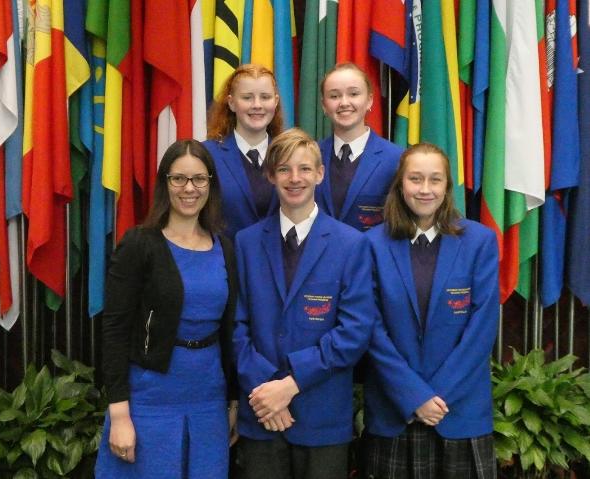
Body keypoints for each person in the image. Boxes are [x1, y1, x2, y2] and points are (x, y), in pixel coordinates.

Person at [233, 128, 375, 479]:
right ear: (270, 175)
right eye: (283, 169)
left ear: (320, 173)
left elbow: (354, 331)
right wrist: (268, 392)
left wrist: (290, 385)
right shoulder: (246, 242)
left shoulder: (351, 244)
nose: (294, 178)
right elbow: (234, 326)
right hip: (261, 411)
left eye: (304, 169)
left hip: (322, 416)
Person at [95, 140, 238, 478]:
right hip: (150, 399)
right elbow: (114, 330)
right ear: (165, 184)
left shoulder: (225, 247)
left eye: (199, 179)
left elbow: (230, 330)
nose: (190, 189)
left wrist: (233, 399)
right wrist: (118, 414)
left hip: (209, 400)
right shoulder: (139, 244)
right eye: (179, 179)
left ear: (211, 185)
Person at [362, 143, 499, 478]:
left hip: (458, 413)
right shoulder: (372, 244)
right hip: (395, 412)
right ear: (400, 185)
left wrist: (434, 397)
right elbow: (370, 327)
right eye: (415, 179)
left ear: (447, 187)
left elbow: (481, 330)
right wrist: (412, 396)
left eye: (435, 180)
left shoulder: (479, 241)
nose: (425, 189)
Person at [316, 62, 402, 231]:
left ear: (369, 100)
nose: (344, 102)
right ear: (324, 105)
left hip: (371, 256)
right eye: (334, 96)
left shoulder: (396, 159)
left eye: (354, 94)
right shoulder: (310, 156)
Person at [204, 64, 284, 239]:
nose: (257, 105)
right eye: (247, 97)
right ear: (232, 103)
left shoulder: (288, 154)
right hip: (227, 263)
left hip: (280, 263)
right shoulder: (206, 155)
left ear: (275, 101)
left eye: (265, 97)